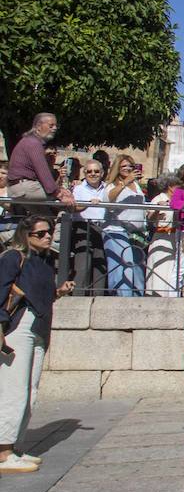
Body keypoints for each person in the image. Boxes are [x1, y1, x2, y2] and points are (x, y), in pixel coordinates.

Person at [0, 215, 74, 472]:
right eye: (40, 233)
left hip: (40, 325)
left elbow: (41, 295)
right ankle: (3, 451)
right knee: (14, 389)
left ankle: (15, 446)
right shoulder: (13, 257)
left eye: (49, 232)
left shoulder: (45, 261)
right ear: (26, 235)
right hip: (19, 327)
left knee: (30, 389)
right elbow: (2, 290)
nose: (47, 236)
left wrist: (59, 292)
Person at [5, 114, 74, 210]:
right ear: (38, 126)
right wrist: (60, 194)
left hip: (18, 189)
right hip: (26, 188)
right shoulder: (34, 143)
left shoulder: (27, 141)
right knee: (67, 202)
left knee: (43, 218)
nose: (54, 129)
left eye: (56, 126)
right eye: (51, 125)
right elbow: (43, 172)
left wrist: (59, 190)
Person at [103, 155, 147, 296]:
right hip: (117, 230)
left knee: (138, 268)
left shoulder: (137, 185)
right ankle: (120, 299)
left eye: (130, 166)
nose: (128, 168)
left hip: (137, 233)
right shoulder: (112, 185)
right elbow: (107, 200)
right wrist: (125, 183)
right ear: (117, 168)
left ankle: (137, 299)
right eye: (124, 166)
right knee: (123, 267)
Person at [70, 159, 110, 295]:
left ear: (102, 173)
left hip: (103, 228)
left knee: (101, 267)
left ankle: (98, 299)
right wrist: (88, 203)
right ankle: (78, 299)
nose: (93, 174)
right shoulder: (78, 189)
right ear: (85, 173)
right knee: (83, 266)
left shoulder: (108, 188)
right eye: (89, 171)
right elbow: (74, 208)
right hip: (83, 227)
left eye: (96, 171)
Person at [144, 175, 179, 296]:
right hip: (161, 237)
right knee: (160, 270)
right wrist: (158, 208)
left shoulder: (179, 200)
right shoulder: (158, 198)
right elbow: (149, 219)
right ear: (170, 187)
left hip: (175, 238)